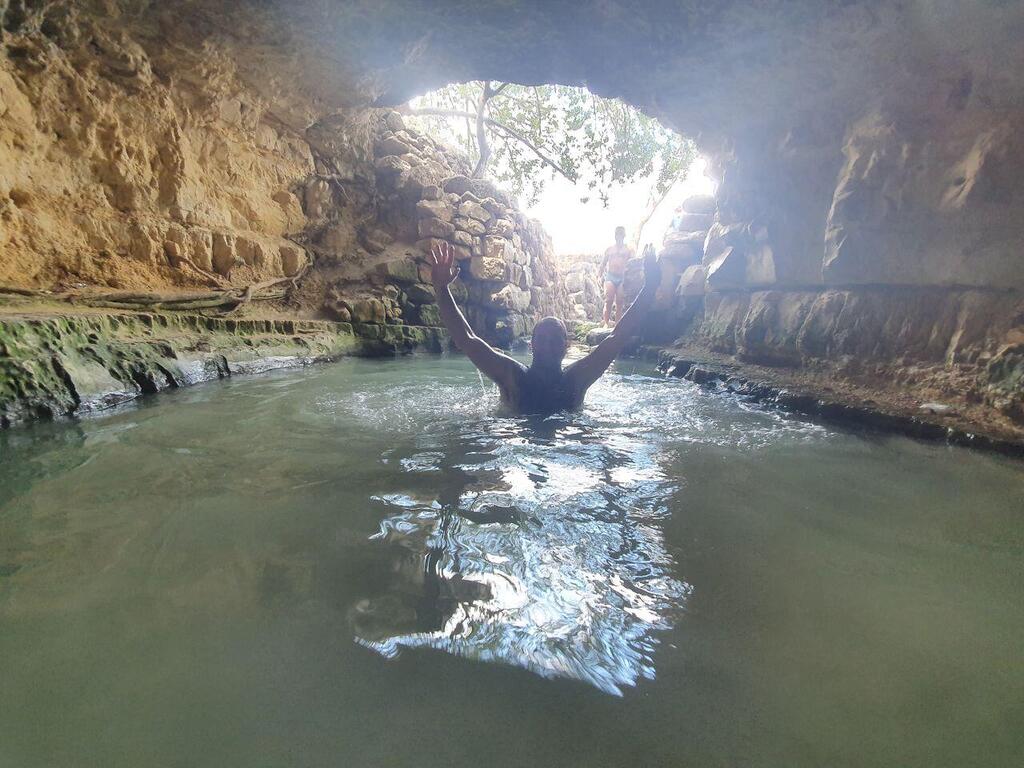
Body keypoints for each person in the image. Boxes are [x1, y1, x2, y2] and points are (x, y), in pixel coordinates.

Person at [427, 240, 660, 415]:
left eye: (555, 339)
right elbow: (467, 340)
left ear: (566, 346)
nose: (548, 345)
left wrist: (650, 287)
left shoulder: (575, 379)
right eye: (543, 339)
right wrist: (441, 288)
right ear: (532, 344)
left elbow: (617, 338)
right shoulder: (513, 377)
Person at [599, 225, 633, 326]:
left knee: (620, 301)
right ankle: (606, 322)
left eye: (621, 235)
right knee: (608, 299)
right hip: (610, 276)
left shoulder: (628, 250)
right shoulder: (610, 249)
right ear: (615, 236)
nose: (619, 237)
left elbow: (633, 263)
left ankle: (618, 324)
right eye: (617, 235)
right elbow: (603, 263)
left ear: (624, 236)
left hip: (622, 277)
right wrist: (599, 275)